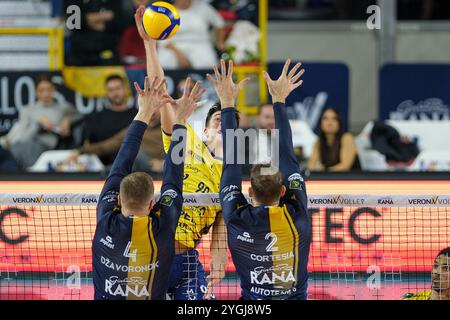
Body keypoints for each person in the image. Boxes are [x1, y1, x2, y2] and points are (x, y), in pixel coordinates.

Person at [135, 6, 249, 300]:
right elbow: (160, 94)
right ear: (207, 130)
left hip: (187, 262)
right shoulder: (187, 143)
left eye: (228, 124)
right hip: (154, 255)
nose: (223, 125)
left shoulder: (231, 171)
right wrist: (150, 45)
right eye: (217, 121)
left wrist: (220, 256)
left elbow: (223, 217)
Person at [92, 75, 201, 300]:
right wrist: (179, 121)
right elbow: (174, 175)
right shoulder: (163, 226)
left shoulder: (105, 219)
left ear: (119, 200)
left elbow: (121, 162)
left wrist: (143, 112)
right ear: (152, 204)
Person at [217, 59, 311, 300]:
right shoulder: (297, 214)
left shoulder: (236, 219)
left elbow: (231, 163)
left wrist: (227, 104)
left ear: (250, 192)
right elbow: (287, 156)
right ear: (283, 191)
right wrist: (279, 100)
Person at [70, 74, 151, 172]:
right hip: (102, 167)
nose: (115, 93)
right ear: (106, 93)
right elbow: (88, 145)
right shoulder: (96, 118)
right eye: (111, 90)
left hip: (135, 166)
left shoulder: (138, 115)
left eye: (118, 88)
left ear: (125, 89)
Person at [0, 74, 78, 170]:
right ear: (36, 92)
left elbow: (79, 116)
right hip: (23, 145)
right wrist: (37, 124)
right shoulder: (27, 110)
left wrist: (68, 119)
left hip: (45, 148)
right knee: (16, 148)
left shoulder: (63, 108)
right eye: (41, 90)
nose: (45, 94)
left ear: (54, 89)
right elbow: (22, 138)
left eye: (48, 89)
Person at [158, 0, 226, 69]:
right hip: (173, 46)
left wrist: (220, 42)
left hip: (200, 44)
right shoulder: (166, 11)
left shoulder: (203, 7)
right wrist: (179, 55)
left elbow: (219, 24)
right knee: (164, 62)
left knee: (209, 63)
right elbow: (161, 37)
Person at [307, 107, 359, 172]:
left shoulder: (347, 138)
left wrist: (325, 170)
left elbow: (345, 166)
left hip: (352, 179)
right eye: (325, 118)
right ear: (320, 123)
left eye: (334, 119)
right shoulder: (319, 142)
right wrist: (317, 168)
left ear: (339, 123)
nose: (330, 122)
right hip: (329, 178)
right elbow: (311, 165)